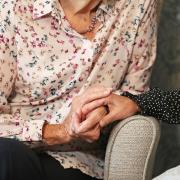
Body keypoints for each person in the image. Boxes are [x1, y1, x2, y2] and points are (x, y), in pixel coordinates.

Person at [0, 0, 158, 179]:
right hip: (12, 147)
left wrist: (105, 108)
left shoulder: (137, 5)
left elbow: (136, 96)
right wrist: (59, 131)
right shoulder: (11, 7)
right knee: (6, 155)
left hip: (78, 160)